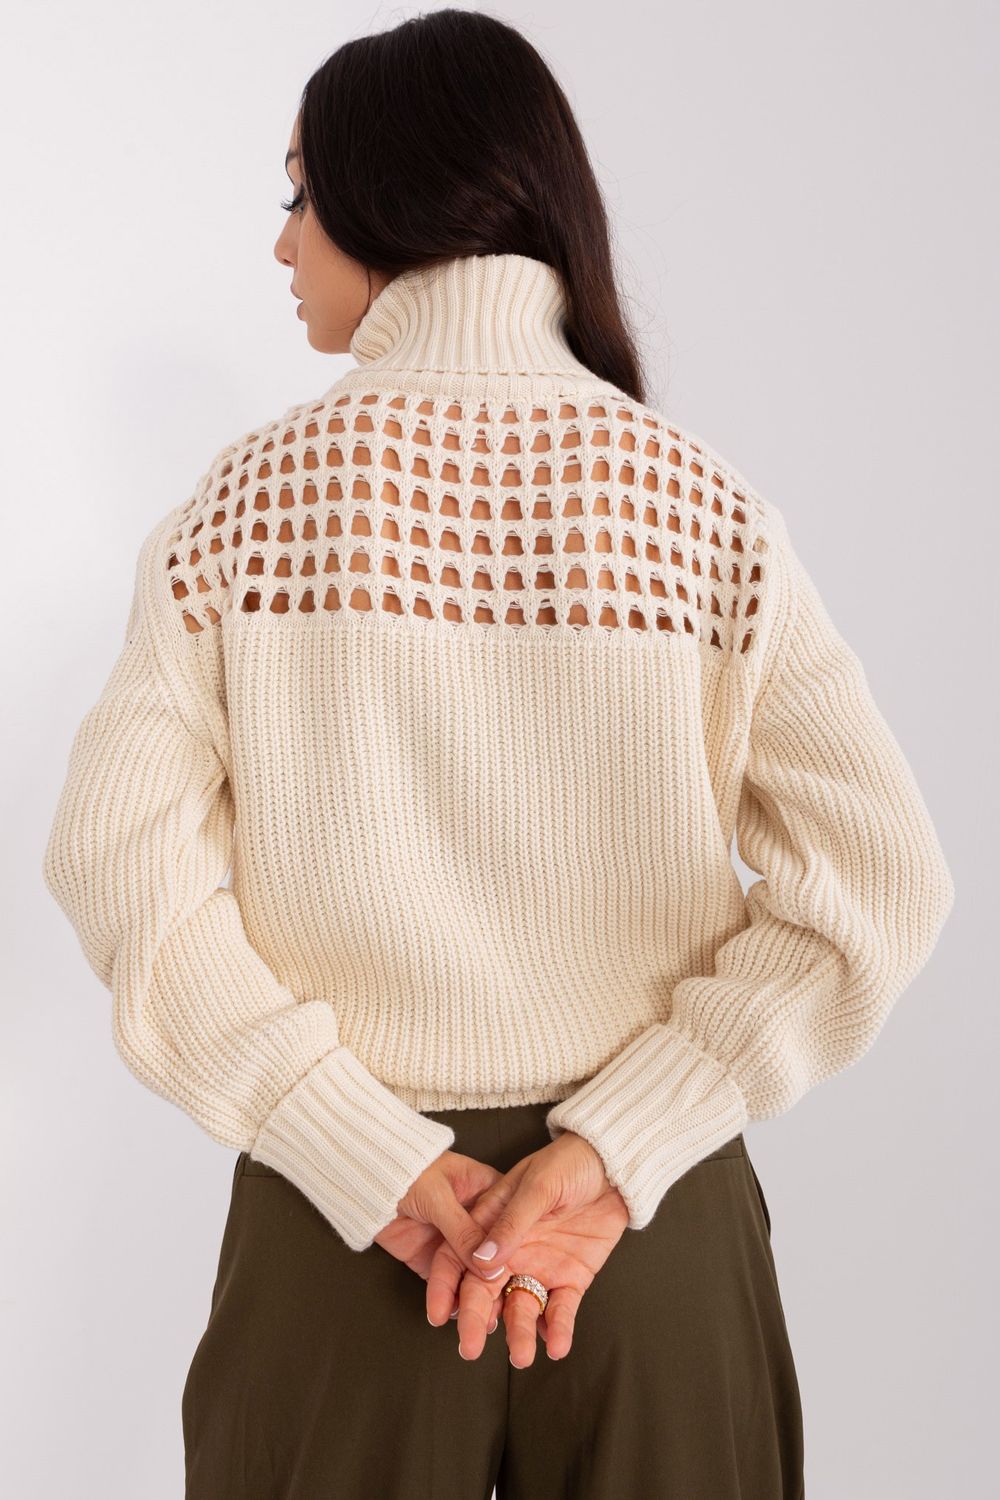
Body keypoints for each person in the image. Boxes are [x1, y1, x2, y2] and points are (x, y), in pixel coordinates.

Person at [41, 9, 955, 1499]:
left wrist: (349, 1141)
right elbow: (884, 882)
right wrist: (618, 1148)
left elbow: (116, 865)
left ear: (393, 195)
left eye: (300, 192)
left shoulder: (242, 510)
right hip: (644, 1240)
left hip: (345, 1240)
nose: (282, 242)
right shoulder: (703, 508)